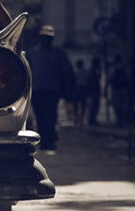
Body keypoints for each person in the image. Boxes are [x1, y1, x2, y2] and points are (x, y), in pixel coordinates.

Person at [25, 24, 75, 153]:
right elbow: (26, 72)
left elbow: (67, 72)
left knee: (51, 116)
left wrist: (67, 90)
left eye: (48, 38)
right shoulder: (31, 53)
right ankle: (44, 140)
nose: (46, 40)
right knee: (40, 116)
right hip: (37, 91)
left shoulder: (59, 54)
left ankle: (50, 140)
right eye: (44, 37)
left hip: (52, 91)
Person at [108, 55, 130, 127]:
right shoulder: (125, 68)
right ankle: (122, 120)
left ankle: (119, 120)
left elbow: (109, 79)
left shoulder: (112, 69)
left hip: (115, 89)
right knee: (124, 105)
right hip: (124, 89)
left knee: (116, 105)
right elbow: (129, 79)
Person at [73, 59, 90, 126]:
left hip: (77, 88)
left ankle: (76, 117)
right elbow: (88, 81)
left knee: (76, 104)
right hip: (84, 88)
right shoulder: (86, 72)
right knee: (83, 104)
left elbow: (73, 81)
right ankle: (81, 118)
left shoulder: (75, 72)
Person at [88, 57, 103, 125]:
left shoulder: (92, 69)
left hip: (93, 89)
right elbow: (97, 77)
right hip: (94, 89)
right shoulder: (94, 70)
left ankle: (92, 119)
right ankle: (92, 119)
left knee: (94, 105)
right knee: (95, 105)